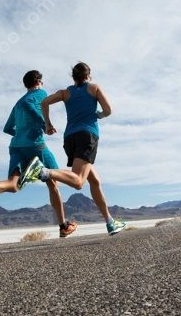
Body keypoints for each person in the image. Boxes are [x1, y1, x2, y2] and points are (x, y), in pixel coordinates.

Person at [0, 70, 77, 238]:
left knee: (13, 185)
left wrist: (21, 133)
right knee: (53, 182)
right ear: (38, 82)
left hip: (15, 146)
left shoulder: (17, 103)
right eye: (42, 81)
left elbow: (7, 128)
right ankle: (63, 226)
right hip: (35, 145)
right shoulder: (40, 93)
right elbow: (32, 107)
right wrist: (45, 125)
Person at [17, 62, 127, 235]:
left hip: (70, 139)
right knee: (78, 181)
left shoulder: (65, 92)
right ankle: (44, 171)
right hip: (87, 136)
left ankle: (110, 221)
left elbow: (44, 103)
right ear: (88, 75)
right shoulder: (94, 88)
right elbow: (108, 110)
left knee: (95, 181)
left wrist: (48, 124)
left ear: (73, 77)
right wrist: (97, 114)